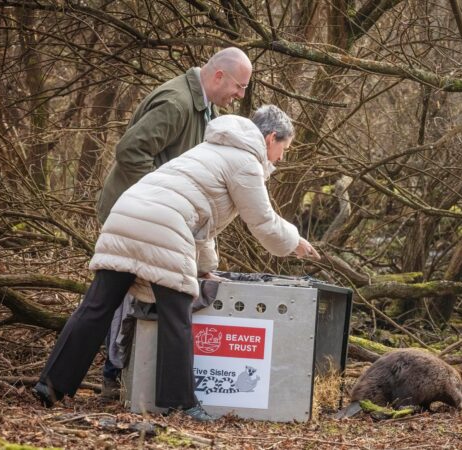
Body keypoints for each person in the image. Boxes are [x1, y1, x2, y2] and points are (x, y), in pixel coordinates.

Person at [33, 106, 320, 421]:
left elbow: (203, 227)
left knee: (96, 307)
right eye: (284, 149)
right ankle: (180, 404)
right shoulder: (245, 163)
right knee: (177, 315)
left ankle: (51, 384)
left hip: (127, 213)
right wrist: (295, 243)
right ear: (270, 138)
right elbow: (263, 223)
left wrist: (203, 267)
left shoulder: (210, 148)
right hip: (164, 226)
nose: (281, 158)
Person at [96, 47, 252, 399]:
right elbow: (130, 151)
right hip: (135, 216)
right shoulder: (178, 103)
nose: (240, 95)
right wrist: (158, 201)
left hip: (158, 220)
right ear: (218, 76)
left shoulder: (205, 109)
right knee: (119, 299)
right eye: (239, 86)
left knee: (135, 298)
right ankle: (114, 379)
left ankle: (129, 379)